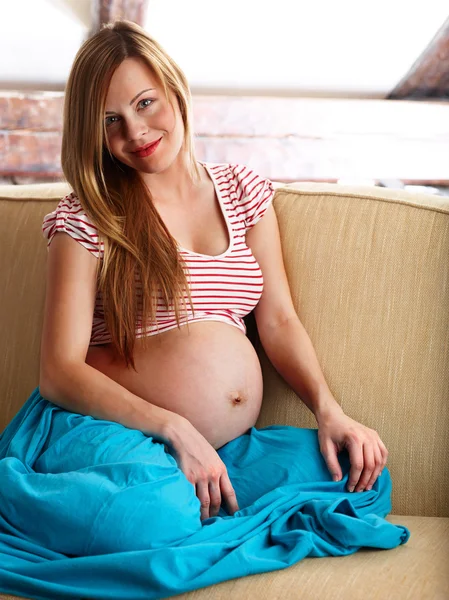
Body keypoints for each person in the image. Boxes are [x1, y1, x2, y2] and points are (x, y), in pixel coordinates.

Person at [0, 19, 407, 600]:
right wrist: (174, 426)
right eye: (111, 121)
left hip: (221, 449)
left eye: (145, 103)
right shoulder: (89, 217)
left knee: (358, 473)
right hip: (108, 431)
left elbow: (279, 321)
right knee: (150, 520)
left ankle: (187, 503)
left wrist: (330, 410)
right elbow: (59, 371)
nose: (136, 131)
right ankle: (152, 504)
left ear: (174, 89)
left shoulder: (243, 193)